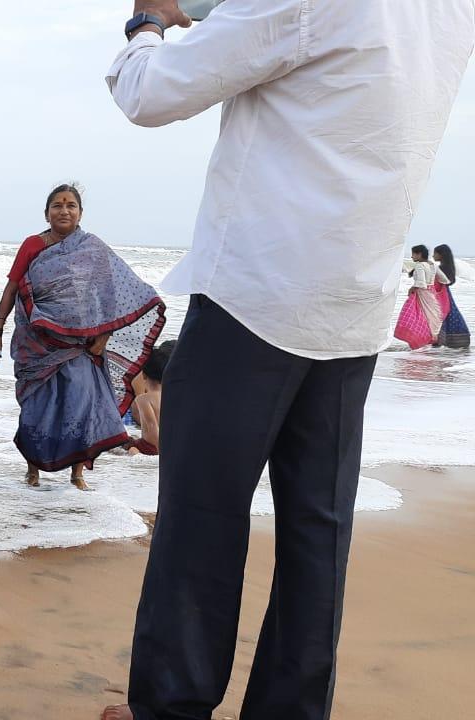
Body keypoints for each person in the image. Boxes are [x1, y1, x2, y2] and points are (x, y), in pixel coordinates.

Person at [102, 0, 473, 717]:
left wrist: (145, 21)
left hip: (259, 293)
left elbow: (147, 93)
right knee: (317, 532)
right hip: (354, 306)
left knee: (202, 517)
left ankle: (171, 709)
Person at [0, 185, 164, 489]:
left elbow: (110, 296)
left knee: (80, 406)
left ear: (80, 213)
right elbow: (13, 288)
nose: (64, 210)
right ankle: (32, 471)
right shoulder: (32, 245)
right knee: (35, 407)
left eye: (70, 205)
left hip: (83, 344)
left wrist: (104, 336)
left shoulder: (92, 248)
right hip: (36, 342)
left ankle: (77, 474)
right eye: (57, 205)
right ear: (46, 213)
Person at [395, 244, 450, 349]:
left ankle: (421, 340)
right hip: (432, 294)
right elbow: (444, 279)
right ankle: (432, 341)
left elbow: (421, 283)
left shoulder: (420, 265)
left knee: (419, 316)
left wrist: (412, 288)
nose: (412, 257)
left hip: (423, 294)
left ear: (419, 254)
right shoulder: (432, 265)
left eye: (413, 254)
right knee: (432, 317)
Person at [127, 340, 175, 456]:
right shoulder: (171, 397)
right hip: (170, 442)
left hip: (149, 445)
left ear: (143, 374)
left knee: (130, 448)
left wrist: (159, 449)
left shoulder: (143, 399)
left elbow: (151, 425)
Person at [433, 244, 470, 349]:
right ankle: (457, 341)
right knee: (450, 315)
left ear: (441, 255)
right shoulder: (448, 267)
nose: (433, 255)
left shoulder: (440, 268)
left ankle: (437, 341)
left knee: (439, 316)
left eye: (435, 253)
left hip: (439, 294)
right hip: (445, 294)